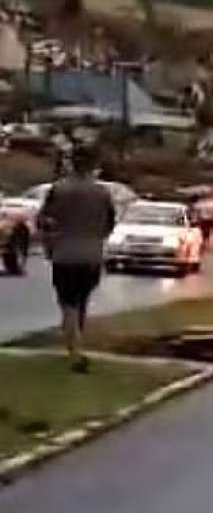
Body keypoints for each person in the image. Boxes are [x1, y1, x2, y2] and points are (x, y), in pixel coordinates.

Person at [37, 146, 116, 372]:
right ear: (93, 165)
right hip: (92, 255)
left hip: (64, 254)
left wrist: (49, 242)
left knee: (68, 304)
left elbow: (43, 220)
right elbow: (110, 224)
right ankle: (76, 345)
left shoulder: (59, 189)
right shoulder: (102, 193)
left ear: (72, 163)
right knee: (81, 301)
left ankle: (75, 353)